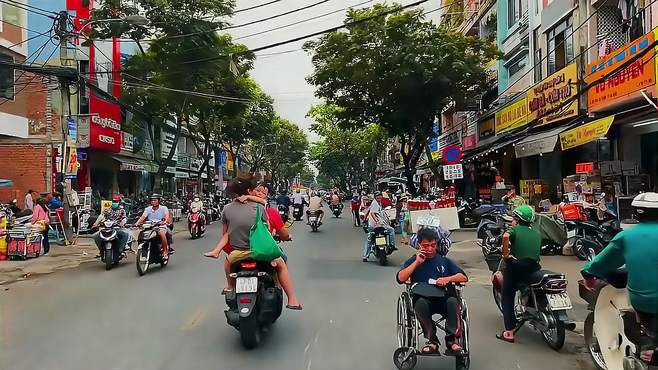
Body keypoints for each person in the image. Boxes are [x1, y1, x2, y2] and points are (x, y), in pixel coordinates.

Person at [203, 175, 302, 310]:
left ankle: (230, 287)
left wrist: (220, 249)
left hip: (237, 254)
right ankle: (292, 299)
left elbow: (225, 234)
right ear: (250, 191)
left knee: (227, 262)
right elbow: (266, 231)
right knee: (281, 264)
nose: (260, 194)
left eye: (263, 193)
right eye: (258, 191)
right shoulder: (260, 207)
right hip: (260, 252)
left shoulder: (226, 209)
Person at [582, 192, 658, 363]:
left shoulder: (626, 236)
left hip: (645, 303)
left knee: (640, 313)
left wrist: (588, 274)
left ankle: (646, 349)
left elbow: (601, 263)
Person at [397, 227, 468, 354]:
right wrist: (417, 263)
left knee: (453, 302)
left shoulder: (443, 260)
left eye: (433, 245)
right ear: (419, 245)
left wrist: (447, 278)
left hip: (444, 298)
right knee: (420, 305)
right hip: (423, 298)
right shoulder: (414, 260)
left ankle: (452, 341)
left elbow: (463, 277)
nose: (430, 249)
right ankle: (432, 341)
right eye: (426, 245)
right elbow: (401, 278)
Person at [496, 205, 541, 343]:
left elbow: (505, 236)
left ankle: (509, 332)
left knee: (507, 295)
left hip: (516, 266)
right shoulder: (537, 232)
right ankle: (530, 307)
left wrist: (505, 255)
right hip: (534, 266)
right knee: (532, 284)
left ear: (517, 219)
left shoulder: (514, 229)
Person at [92, 194, 129, 259]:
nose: (114, 203)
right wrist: (95, 224)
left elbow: (124, 218)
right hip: (107, 229)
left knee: (125, 235)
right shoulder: (107, 210)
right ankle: (101, 250)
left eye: (116, 202)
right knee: (95, 236)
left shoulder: (122, 210)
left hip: (117, 228)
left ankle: (120, 250)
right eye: (113, 201)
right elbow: (101, 216)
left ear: (119, 202)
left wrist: (122, 223)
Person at [363, 192, 396, 262]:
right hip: (377, 225)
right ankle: (392, 245)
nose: (378, 197)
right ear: (375, 197)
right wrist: (377, 222)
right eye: (377, 196)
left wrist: (364, 219)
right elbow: (372, 213)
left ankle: (365, 255)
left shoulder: (376, 203)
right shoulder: (375, 203)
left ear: (381, 196)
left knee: (370, 239)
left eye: (379, 195)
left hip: (373, 225)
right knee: (391, 230)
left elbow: (368, 211)